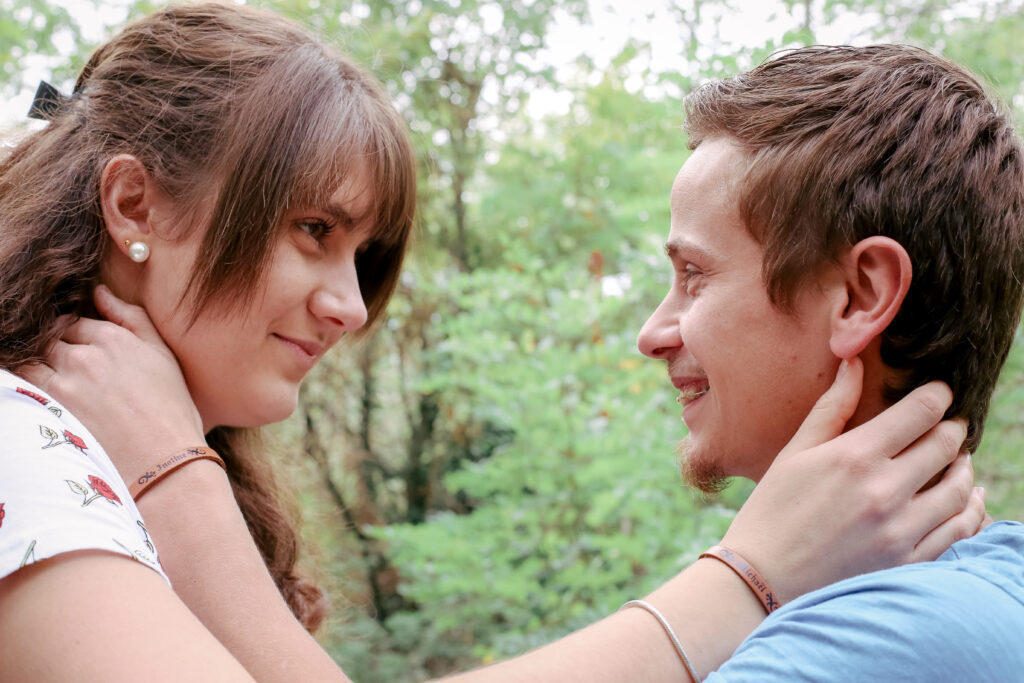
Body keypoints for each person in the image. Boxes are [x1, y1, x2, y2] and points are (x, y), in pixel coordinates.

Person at [0, 5, 984, 681]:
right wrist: (744, 575)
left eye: (691, 274)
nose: (348, 305)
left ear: (863, 294)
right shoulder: (25, 450)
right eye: (313, 230)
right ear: (134, 202)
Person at [635, 45, 1024, 680]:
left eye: (694, 275)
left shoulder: (871, 649)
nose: (653, 334)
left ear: (860, 297)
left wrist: (742, 575)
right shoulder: (996, 582)